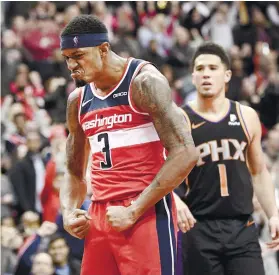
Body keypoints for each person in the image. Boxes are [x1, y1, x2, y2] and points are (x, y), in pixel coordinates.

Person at [59, 15, 198, 275]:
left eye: (78, 56)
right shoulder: (78, 100)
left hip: (145, 211)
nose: (71, 65)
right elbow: (73, 171)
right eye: (67, 58)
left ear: (103, 49)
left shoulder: (144, 82)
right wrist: (68, 211)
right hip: (99, 215)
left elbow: (185, 152)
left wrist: (133, 211)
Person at [174, 42, 279, 275]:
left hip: (241, 226)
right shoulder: (179, 120)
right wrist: (175, 200)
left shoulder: (246, 116)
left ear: (227, 75)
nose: (206, 74)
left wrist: (273, 214)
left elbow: (259, 171)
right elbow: (159, 171)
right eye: (200, 69)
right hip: (198, 227)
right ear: (192, 76)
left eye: (213, 68)